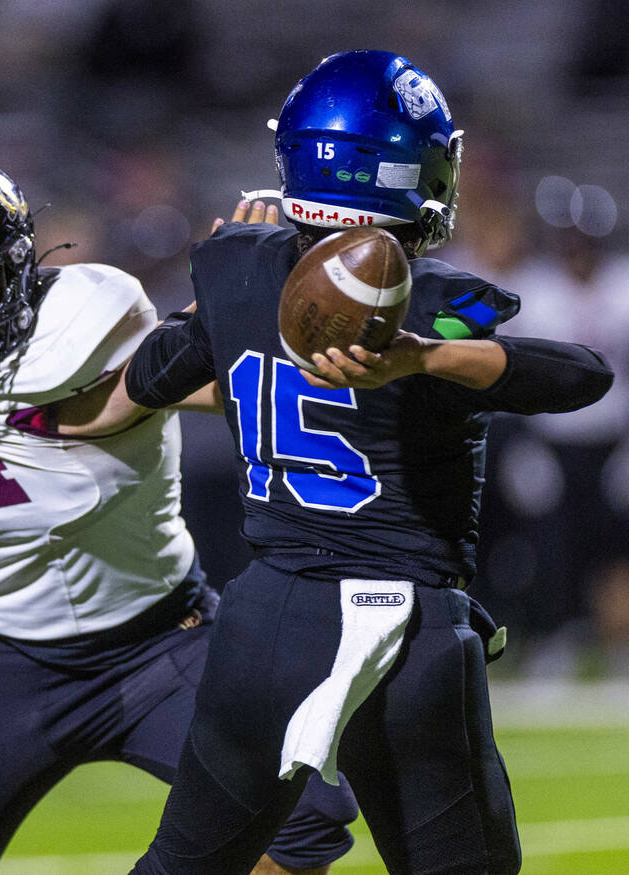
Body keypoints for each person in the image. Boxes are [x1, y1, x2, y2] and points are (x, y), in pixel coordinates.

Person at [0, 148, 358, 874]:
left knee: (304, 817)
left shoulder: (84, 321)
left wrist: (250, 308)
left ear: (22, 270)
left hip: (159, 638)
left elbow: (214, 379)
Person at [123, 51, 615, 874]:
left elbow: (147, 377)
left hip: (267, 617)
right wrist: (422, 358)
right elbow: (580, 375)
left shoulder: (233, 267)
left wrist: (211, 292)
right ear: (393, 169)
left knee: (183, 865)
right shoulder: (438, 305)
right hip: (405, 630)